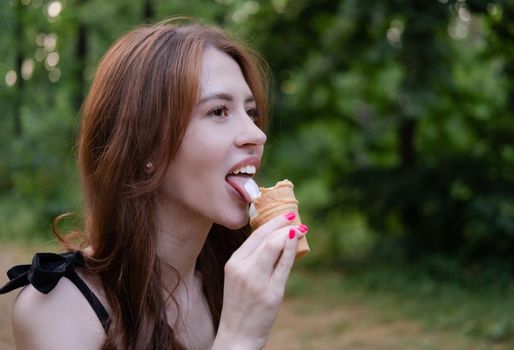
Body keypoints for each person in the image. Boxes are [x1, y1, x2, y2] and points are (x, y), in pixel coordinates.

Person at [0, 18, 308, 349]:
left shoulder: (224, 282)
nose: (256, 134)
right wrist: (239, 339)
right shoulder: (58, 310)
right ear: (146, 145)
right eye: (219, 111)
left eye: (252, 112)